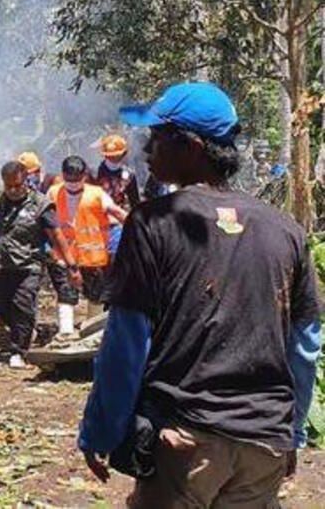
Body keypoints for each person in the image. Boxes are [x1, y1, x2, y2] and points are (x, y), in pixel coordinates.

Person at [78, 82, 321, 507]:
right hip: (263, 444)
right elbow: (304, 345)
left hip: (187, 440)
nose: (149, 149)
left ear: (190, 146)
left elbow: (126, 343)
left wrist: (102, 429)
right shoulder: (286, 230)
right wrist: (292, 434)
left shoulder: (153, 223)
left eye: (157, 137)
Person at [0, 161, 74, 368]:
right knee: (0, 307)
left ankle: (19, 350)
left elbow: (56, 235)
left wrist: (70, 264)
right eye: (9, 186)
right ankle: (25, 330)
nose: (13, 191)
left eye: (18, 185)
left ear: (26, 181)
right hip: (2, 265)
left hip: (29, 265)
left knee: (22, 305)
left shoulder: (40, 204)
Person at [49, 156, 127, 319]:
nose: (73, 182)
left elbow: (118, 213)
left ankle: (91, 329)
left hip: (93, 255)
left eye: (77, 178)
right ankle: (65, 332)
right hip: (64, 252)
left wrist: (138, 227)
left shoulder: (97, 194)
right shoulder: (54, 192)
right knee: (66, 292)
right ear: (63, 175)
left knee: (96, 295)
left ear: (84, 175)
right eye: (69, 178)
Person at [20, 151, 82, 339]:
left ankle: (66, 329)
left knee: (63, 283)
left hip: (57, 242)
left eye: (30, 172)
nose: (27, 177)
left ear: (37, 170)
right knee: (29, 287)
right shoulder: (20, 188)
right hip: (34, 244)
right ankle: (28, 329)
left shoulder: (52, 184)